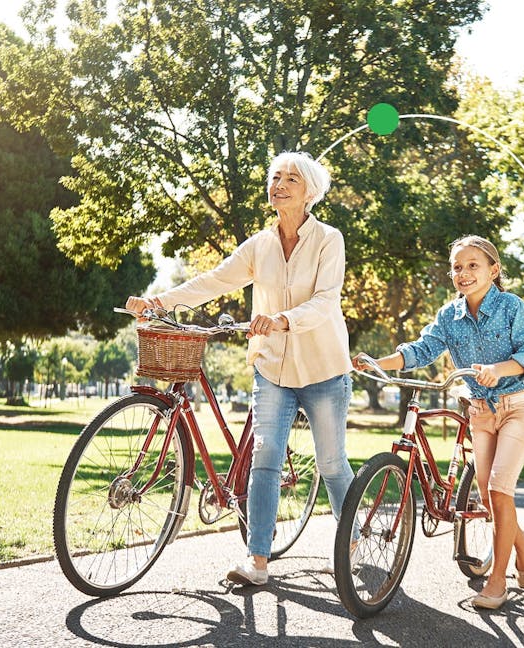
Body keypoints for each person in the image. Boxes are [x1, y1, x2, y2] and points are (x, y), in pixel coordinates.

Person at [125, 151, 353, 587]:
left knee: (330, 462)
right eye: (275, 177)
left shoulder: (329, 239)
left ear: (309, 191)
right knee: (264, 459)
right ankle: (258, 561)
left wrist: (284, 319)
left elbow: (326, 300)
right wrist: (158, 301)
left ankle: (351, 539)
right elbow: (213, 280)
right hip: (271, 369)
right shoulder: (259, 245)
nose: (279, 184)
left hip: (323, 369)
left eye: (290, 179)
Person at [353, 235, 524, 610]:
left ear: (494, 270)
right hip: (481, 412)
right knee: (489, 498)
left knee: (501, 490)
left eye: (473, 265)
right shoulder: (448, 316)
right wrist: (374, 362)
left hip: (517, 405)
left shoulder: (511, 307)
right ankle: (522, 542)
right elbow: (421, 350)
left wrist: (497, 370)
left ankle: (497, 581)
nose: (463, 273)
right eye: (457, 267)